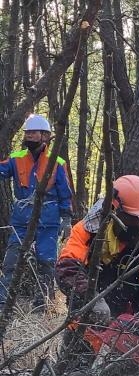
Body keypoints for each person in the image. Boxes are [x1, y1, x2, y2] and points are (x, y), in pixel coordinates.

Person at [56, 175, 139, 335]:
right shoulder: (88, 230)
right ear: (113, 210)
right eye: (132, 218)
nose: (138, 224)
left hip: (131, 318)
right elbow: (67, 268)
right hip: (88, 311)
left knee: (133, 355)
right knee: (78, 352)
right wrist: (91, 298)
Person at [0, 114, 73, 312]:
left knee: (46, 263)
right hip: (21, 220)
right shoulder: (16, 159)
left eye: (33, 132)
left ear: (45, 136)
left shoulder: (56, 162)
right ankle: (3, 305)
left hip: (48, 221)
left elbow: (65, 193)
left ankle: (42, 306)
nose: (29, 136)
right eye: (27, 133)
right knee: (11, 262)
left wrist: (67, 220)